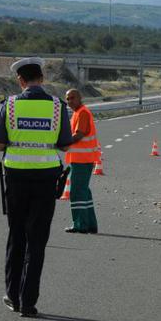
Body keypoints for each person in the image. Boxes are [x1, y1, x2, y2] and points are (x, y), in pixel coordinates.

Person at [0, 57, 72, 317]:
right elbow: (65, 146)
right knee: (37, 241)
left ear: (20, 80)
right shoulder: (58, 107)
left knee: (17, 237)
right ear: (42, 79)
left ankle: (12, 296)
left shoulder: (10, 106)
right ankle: (28, 302)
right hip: (46, 179)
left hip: (16, 178)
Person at [64, 89, 100, 234]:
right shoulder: (77, 113)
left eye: (72, 98)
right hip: (81, 159)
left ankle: (80, 224)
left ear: (80, 98)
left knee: (77, 192)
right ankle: (90, 224)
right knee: (84, 191)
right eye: (67, 99)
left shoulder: (83, 113)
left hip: (82, 160)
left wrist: (62, 141)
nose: (69, 101)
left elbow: (79, 135)